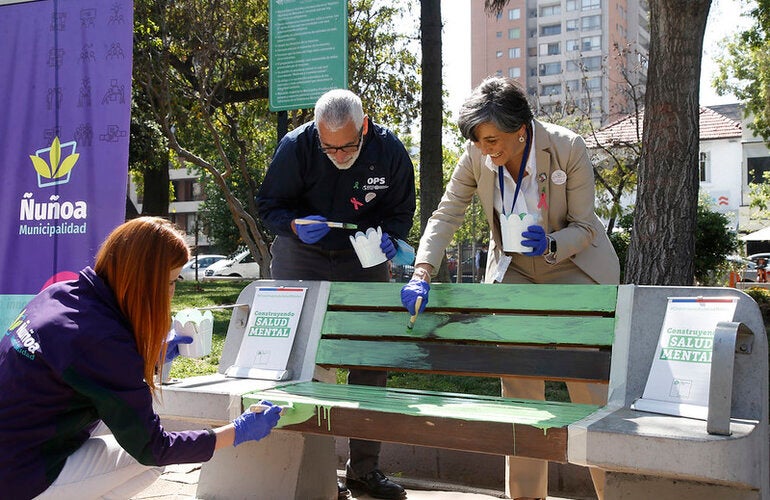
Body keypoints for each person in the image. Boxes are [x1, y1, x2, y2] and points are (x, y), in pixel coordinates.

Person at [400, 76, 619, 500]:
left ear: (521, 129)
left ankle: (614, 491)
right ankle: (525, 496)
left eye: (492, 140)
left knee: (589, 387)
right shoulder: (475, 154)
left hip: (573, 267)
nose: (486, 149)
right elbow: (447, 215)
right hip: (515, 270)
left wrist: (554, 243)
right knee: (518, 389)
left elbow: (587, 226)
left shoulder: (568, 146)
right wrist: (422, 270)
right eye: (479, 141)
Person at [0, 217, 282, 500]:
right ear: (143, 281)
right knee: (148, 465)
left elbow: (83, 371)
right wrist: (236, 432)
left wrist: (147, 357)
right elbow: (154, 448)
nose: (173, 293)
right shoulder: (102, 342)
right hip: (18, 475)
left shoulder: (60, 293)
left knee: (115, 424)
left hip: (15, 445)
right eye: (171, 282)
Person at [257, 89, 415, 500]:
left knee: (369, 358)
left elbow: (400, 212)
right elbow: (268, 206)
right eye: (328, 147)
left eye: (347, 145)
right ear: (316, 134)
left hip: (362, 259)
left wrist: (392, 240)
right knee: (293, 357)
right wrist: (292, 225)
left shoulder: (390, 151)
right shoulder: (296, 146)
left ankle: (364, 471)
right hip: (300, 254)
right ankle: (305, 472)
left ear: (364, 126)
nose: (339, 154)